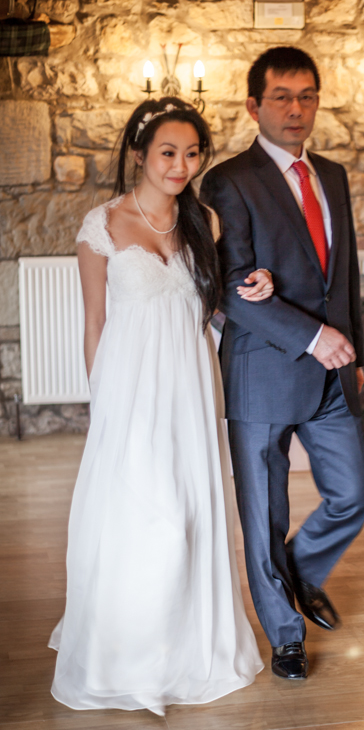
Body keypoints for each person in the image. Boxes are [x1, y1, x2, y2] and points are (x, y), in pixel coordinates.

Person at [49, 97, 272, 715]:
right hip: (131, 391)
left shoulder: (206, 221)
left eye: (192, 153)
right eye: (168, 152)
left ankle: (186, 646)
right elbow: (94, 323)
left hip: (191, 389)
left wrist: (256, 285)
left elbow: (215, 304)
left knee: (190, 513)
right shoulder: (101, 227)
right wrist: (105, 405)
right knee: (150, 517)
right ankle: (128, 653)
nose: (180, 164)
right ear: (141, 154)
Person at [201, 47, 364, 680]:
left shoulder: (332, 173)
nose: (296, 108)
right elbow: (228, 283)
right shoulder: (228, 179)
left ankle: (299, 572)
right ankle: (285, 636)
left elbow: (345, 275)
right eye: (281, 96)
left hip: (334, 371)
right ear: (254, 105)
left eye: (307, 95)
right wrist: (313, 337)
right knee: (265, 513)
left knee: (356, 493)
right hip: (262, 371)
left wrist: (352, 349)